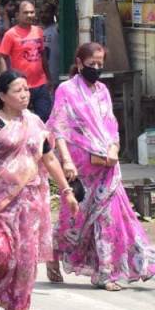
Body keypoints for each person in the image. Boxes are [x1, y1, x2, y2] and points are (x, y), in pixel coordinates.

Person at [0, 70, 78, 310]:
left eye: (26, 89)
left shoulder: (35, 123)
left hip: (31, 200)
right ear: (2, 95)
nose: (24, 95)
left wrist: (66, 191)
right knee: (0, 249)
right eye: (18, 90)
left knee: (25, 256)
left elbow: (48, 158)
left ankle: (16, 306)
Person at [47, 42, 155, 290]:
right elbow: (58, 128)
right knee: (73, 219)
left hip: (107, 166)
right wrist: (66, 161)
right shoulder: (66, 90)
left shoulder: (103, 91)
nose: (95, 68)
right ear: (79, 62)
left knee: (112, 218)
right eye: (91, 64)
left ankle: (108, 271)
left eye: (100, 64)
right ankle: (53, 255)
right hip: (81, 166)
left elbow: (112, 125)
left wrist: (114, 149)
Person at [0, 1, 53, 122]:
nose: (29, 15)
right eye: (25, 13)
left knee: (45, 117)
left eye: (32, 12)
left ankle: (43, 141)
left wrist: (48, 77)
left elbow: (42, 54)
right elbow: (2, 56)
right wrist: (4, 80)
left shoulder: (39, 31)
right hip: (20, 87)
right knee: (21, 119)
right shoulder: (10, 34)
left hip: (40, 84)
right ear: (17, 15)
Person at [39, 2, 61, 89]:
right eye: (41, 12)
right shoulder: (37, 31)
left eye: (46, 12)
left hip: (56, 76)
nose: (43, 15)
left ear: (53, 13)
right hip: (42, 79)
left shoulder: (57, 28)